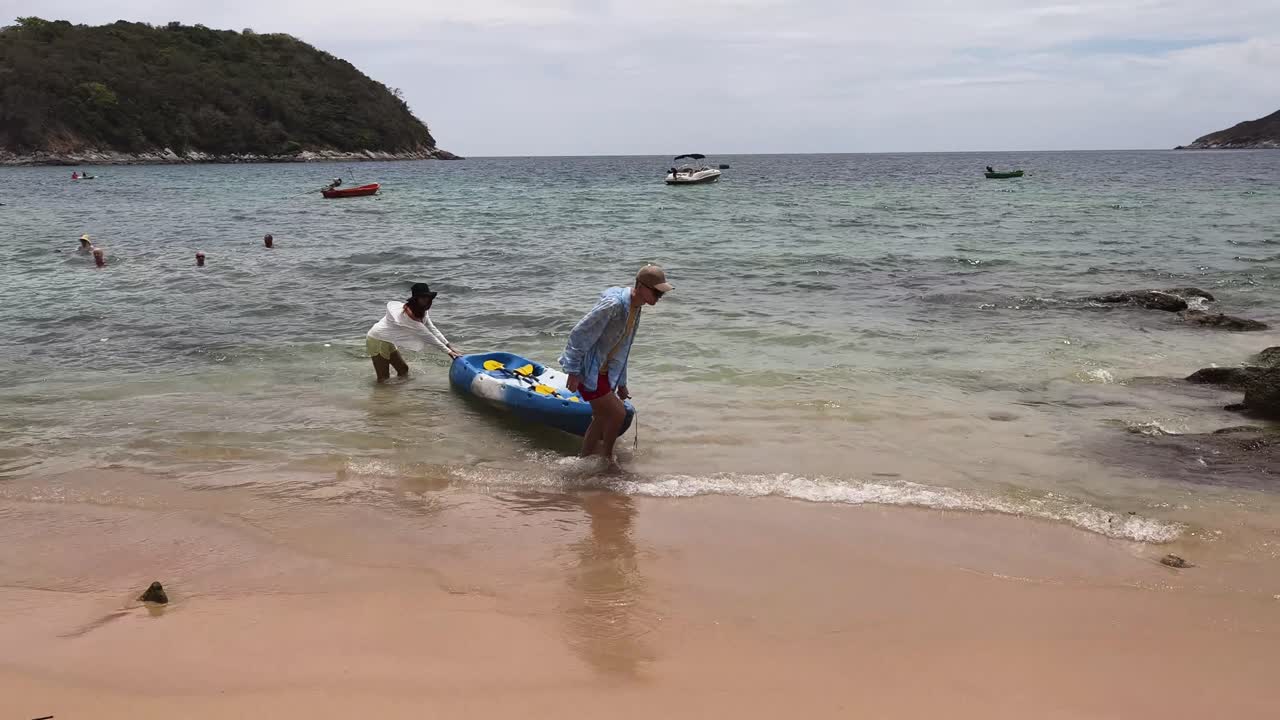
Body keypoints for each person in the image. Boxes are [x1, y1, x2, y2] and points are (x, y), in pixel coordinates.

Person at [560, 264, 672, 466]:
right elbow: (579, 334)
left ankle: (584, 460)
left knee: (602, 417)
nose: (658, 297)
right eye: (656, 292)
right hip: (589, 369)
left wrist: (621, 382)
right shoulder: (614, 305)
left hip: (605, 371)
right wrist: (573, 371)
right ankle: (606, 459)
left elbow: (623, 348)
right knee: (618, 413)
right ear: (640, 286)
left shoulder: (636, 308)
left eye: (661, 294)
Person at [365, 283, 461, 383]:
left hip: (387, 339)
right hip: (377, 339)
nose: (426, 299)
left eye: (427, 297)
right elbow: (429, 337)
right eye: (422, 297)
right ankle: (382, 396)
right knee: (383, 378)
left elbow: (432, 329)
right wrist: (448, 352)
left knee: (403, 370)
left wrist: (450, 346)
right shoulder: (407, 316)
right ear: (416, 299)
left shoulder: (422, 310)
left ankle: (398, 395)